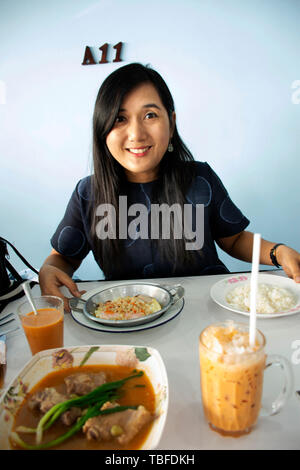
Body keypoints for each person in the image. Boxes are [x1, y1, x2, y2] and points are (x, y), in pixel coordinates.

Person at [39, 63, 300, 311]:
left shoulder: (200, 178)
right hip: (128, 320)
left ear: (171, 122)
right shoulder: (88, 194)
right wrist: (49, 270)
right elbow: (63, 258)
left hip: (207, 312)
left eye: (150, 115)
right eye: (120, 119)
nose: (136, 134)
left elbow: (235, 240)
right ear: (102, 129)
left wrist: (278, 252)